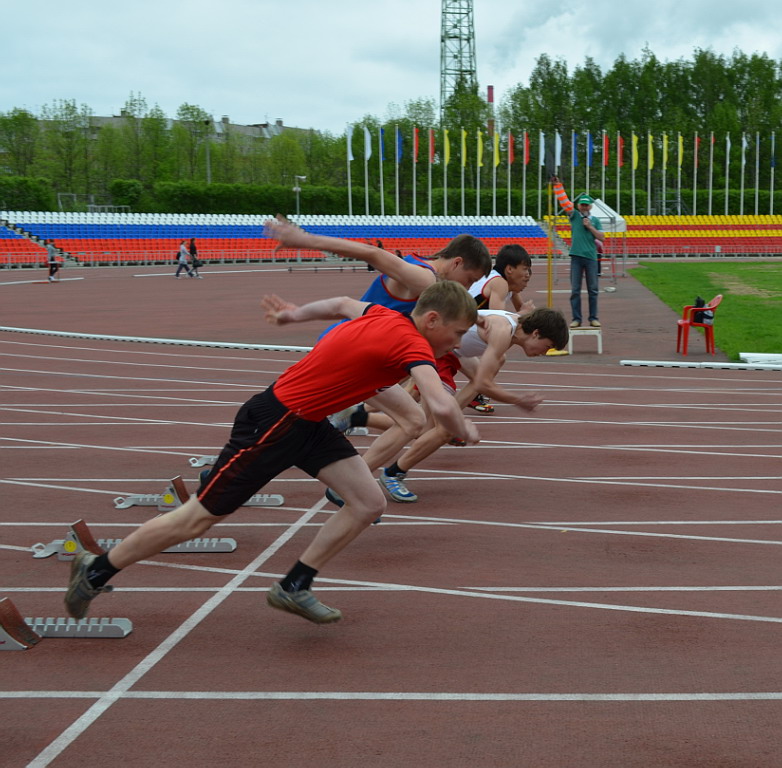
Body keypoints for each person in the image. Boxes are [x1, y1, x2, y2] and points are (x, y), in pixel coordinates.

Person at [64, 281, 480, 626]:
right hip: (275, 422)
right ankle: (96, 570)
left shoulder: (382, 315)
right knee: (197, 519)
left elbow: (340, 303)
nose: (458, 343)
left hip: (307, 423)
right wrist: (463, 430)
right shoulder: (415, 345)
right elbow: (442, 407)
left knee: (368, 501)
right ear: (431, 319)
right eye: (458, 333)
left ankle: (294, 585)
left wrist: (293, 315)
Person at [467, 244, 536, 413]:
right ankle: (476, 393)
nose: (528, 275)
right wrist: (524, 313)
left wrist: (527, 314)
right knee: (499, 357)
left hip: (465, 325)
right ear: (510, 269)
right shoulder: (499, 284)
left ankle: (473, 394)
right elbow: (495, 319)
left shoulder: (506, 284)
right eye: (525, 269)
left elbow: (525, 318)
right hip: (460, 326)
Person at [552, 176, 605, 328]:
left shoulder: (595, 220)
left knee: (593, 290)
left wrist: (590, 227)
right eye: (582, 205)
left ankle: (593, 317)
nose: (584, 207)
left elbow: (602, 237)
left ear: (591, 207)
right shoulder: (574, 215)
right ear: (578, 205)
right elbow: (564, 202)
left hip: (591, 258)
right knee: (575, 290)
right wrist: (558, 185)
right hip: (576, 257)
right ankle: (576, 318)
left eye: (587, 205)